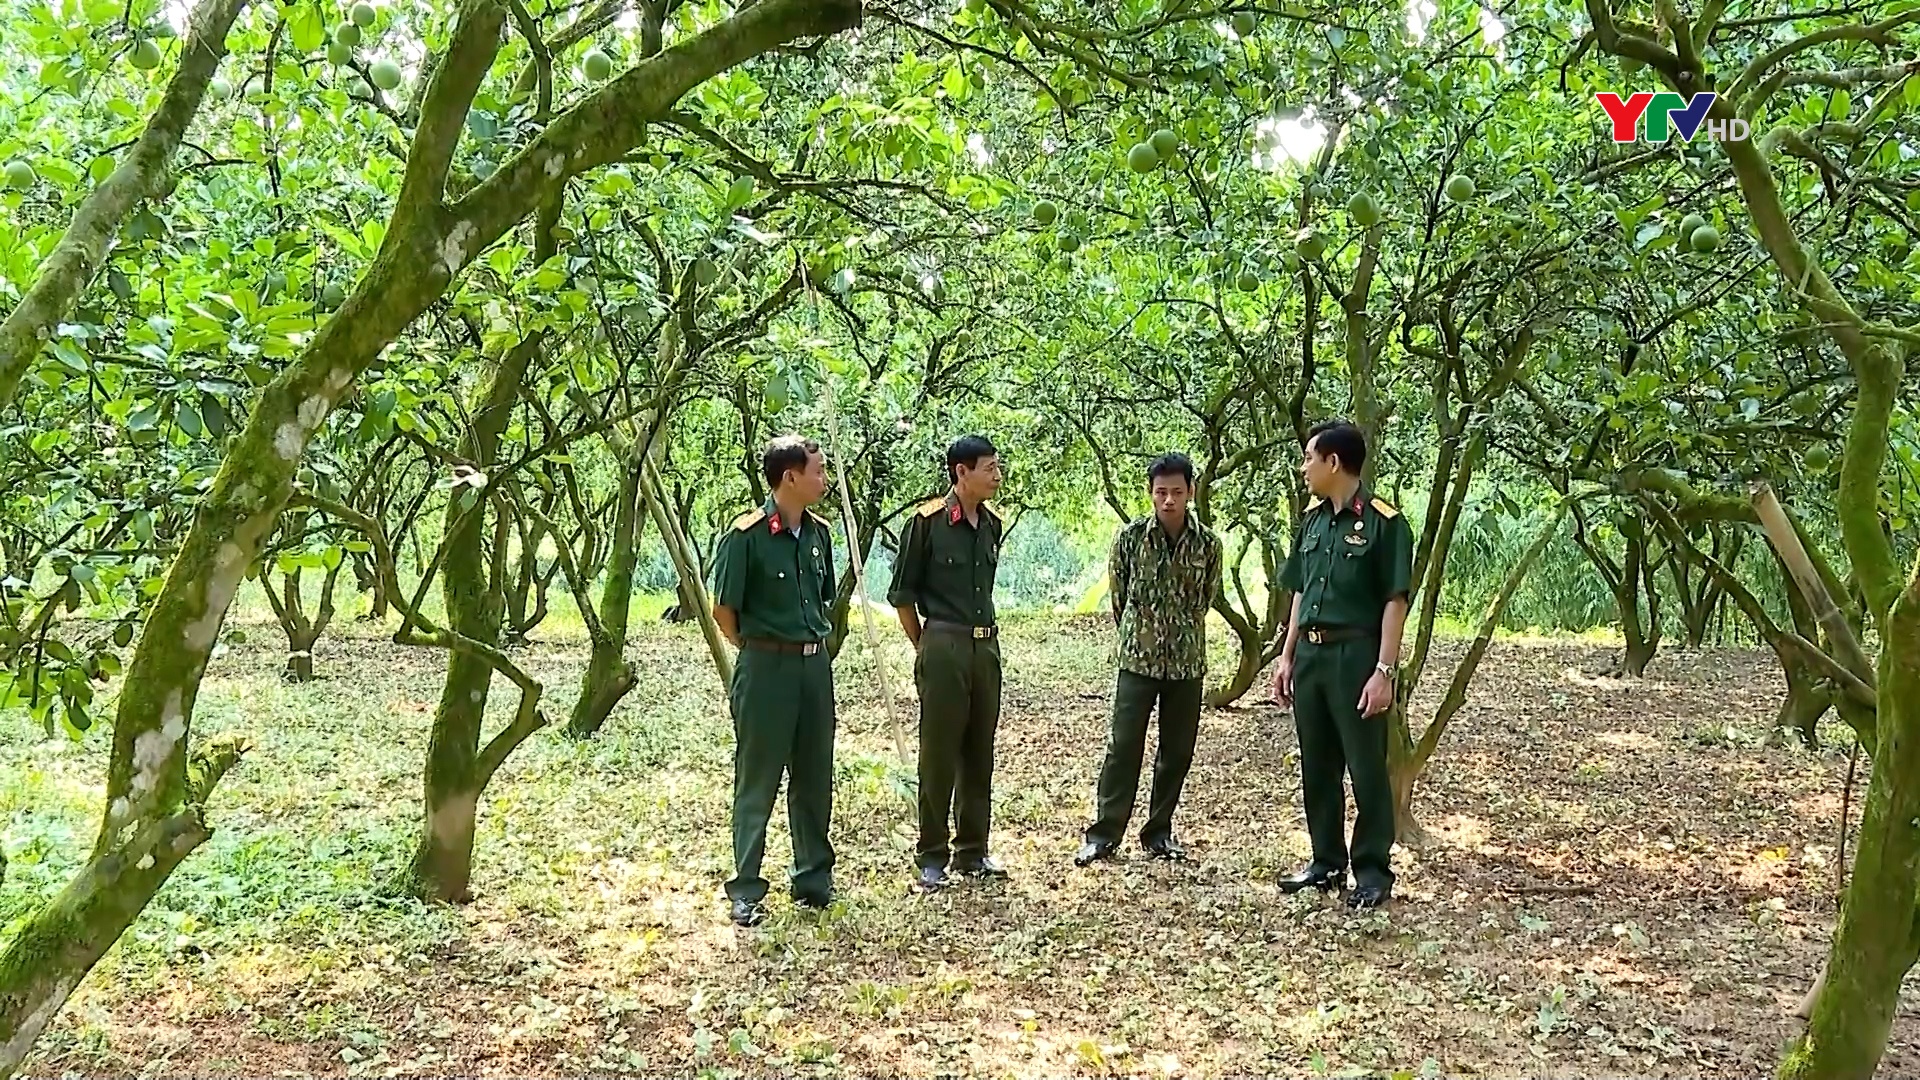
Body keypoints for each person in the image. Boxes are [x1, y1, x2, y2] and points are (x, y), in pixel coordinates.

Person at [1272, 420, 1412, 910]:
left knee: (1365, 767)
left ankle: (1372, 871)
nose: (1304, 467)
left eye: (1310, 458)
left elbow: (1396, 600)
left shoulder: (1384, 522)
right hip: (1310, 655)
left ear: (1334, 463)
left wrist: (1384, 671)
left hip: (1355, 655)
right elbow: (1299, 592)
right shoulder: (1310, 521)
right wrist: (1287, 656)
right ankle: (1324, 861)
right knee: (1318, 763)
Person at [711, 435, 838, 927]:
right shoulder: (745, 536)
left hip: (813, 667)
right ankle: (746, 887)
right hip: (765, 668)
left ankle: (812, 878)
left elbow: (822, 597)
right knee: (758, 779)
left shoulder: (818, 534)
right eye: (817, 471)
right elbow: (725, 611)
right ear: (790, 477)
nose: (823, 480)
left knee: (814, 776)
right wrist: (761, 649)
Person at [1075, 452, 1223, 867]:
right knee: (1123, 746)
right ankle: (1104, 834)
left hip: (1187, 662)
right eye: (1161, 492)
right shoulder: (1130, 539)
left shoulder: (1209, 544)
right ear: (1150, 493)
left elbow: (1205, 599)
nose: (1169, 500)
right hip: (1137, 661)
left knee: (1177, 750)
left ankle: (1159, 831)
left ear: (1191, 491)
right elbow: (1120, 600)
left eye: (1177, 492)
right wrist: (1141, 635)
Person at [887, 434, 1006, 891]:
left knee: (980, 752)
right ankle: (931, 854)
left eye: (997, 467)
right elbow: (903, 596)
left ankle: (972, 850)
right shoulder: (928, 523)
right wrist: (926, 644)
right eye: (988, 467)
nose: (996, 476)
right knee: (938, 754)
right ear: (962, 472)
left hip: (985, 648)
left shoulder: (993, 524)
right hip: (944, 643)